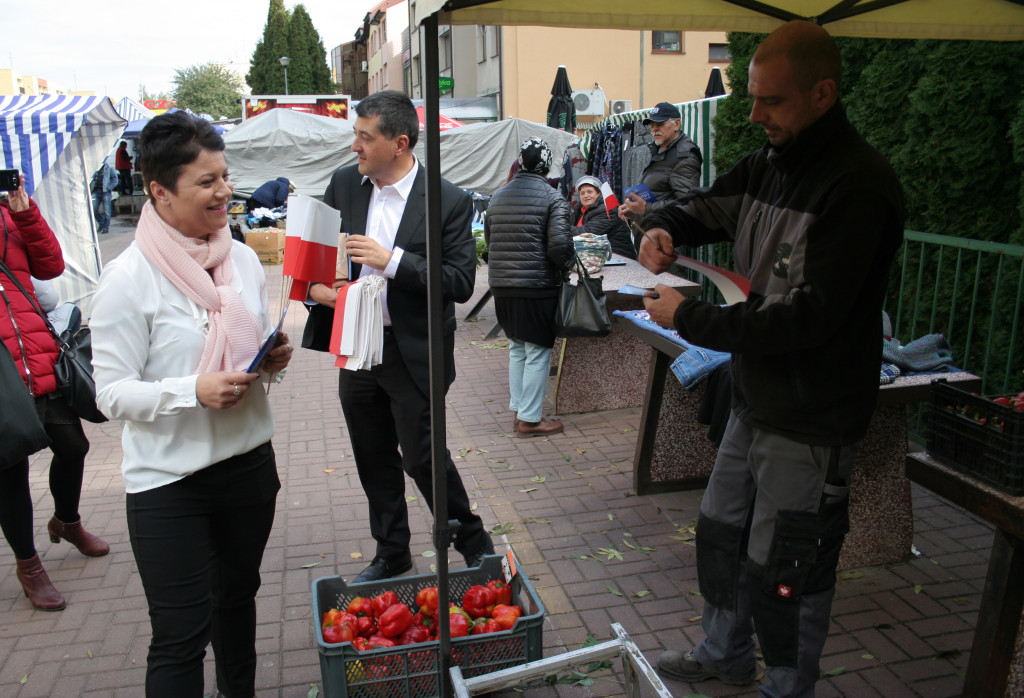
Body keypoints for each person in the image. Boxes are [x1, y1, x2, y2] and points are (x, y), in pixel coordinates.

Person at [636, 21, 904, 697]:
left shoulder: (859, 186)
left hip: (813, 416)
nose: (755, 114)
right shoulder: (769, 161)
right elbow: (708, 207)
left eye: (772, 101)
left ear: (822, 93)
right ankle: (723, 653)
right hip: (755, 400)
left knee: (787, 570)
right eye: (752, 97)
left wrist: (689, 316)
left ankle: (787, 688)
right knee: (722, 535)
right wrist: (666, 226)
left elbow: (811, 318)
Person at [91, 111, 294, 697]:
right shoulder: (127, 279)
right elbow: (111, 394)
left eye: (225, 176)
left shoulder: (245, 259)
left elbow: (248, 349)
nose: (224, 191)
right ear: (159, 189)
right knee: (180, 636)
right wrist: (192, 391)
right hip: (167, 484)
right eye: (206, 182)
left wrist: (270, 361)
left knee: (238, 606)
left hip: (248, 466)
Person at [301, 90, 493, 583]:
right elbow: (318, 261)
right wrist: (317, 289)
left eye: (365, 137)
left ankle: (474, 545)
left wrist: (393, 262)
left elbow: (460, 282)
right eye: (355, 135)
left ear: (400, 142)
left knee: (425, 457)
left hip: (413, 350)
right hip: (356, 346)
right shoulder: (345, 184)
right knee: (372, 455)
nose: (355, 147)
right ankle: (392, 553)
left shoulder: (447, 200)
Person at [0, 174, 109, 613]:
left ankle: (66, 521)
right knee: (9, 469)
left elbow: (49, 266)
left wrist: (25, 210)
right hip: (3, 369)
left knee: (73, 445)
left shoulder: (9, 215)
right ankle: (29, 565)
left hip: (36, 355)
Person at [485, 138, 575, 436]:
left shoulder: (497, 197)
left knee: (517, 348)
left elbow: (490, 242)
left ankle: (520, 411)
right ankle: (531, 419)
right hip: (537, 286)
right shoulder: (553, 198)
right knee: (537, 351)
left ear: (520, 163)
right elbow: (559, 247)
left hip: (502, 286)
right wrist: (569, 266)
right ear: (547, 166)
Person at [618, 101, 702, 246]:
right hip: (652, 238)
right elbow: (659, 194)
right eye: (652, 125)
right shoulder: (660, 151)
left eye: (660, 124)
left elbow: (688, 205)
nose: (654, 129)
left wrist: (646, 208)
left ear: (677, 124)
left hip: (668, 242)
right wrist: (634, 210)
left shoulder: (684, 156)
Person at [571, 175, 635, 259]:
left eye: (590, 192)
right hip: (595, 255)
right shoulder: (579, 209)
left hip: (618, 257)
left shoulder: (608, 210)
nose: (586, 195)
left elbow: (585, 234)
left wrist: (557, 226)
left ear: (599, 193)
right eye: (582, 193)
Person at [91, 160, 119, 234]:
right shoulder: (94, 168)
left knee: (107, 211)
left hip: (106, 192)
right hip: (96, 191)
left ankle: (106, 227)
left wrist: (109, 187)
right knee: (93, 209)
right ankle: (102, 223)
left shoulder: (109, 168)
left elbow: (115, 179)